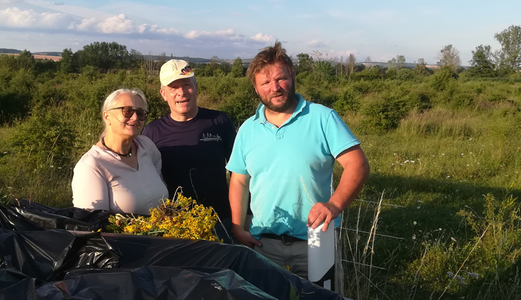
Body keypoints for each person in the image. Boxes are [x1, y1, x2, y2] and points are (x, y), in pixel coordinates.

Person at [226, 42, 370, 280]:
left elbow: (358, 165)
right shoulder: (247, 129)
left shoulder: (322, 118)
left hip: (316, 239)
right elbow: (239, 181)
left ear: (292, 76)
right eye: (265, 83)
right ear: (256, 88)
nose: (275, 88)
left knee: (322, 297)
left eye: (281, 79)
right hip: (264, 243)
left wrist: (334, 206)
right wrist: (238, 227)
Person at [142, 59, 236, 243]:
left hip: (221, 222)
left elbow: (238, 173)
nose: (181, 93)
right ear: (163, 94)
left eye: (186, 85)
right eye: (173, 88)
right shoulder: (152, 131)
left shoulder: (220, 122)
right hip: (174, 225)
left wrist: (242, 217)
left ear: (196, 87)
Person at [72, 88, 168, 215]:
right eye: (127, 111)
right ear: (107, 116)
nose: (135, 118)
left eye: (140, 113)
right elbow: (92, 225)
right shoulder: (92, 165)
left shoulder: (146, 146)